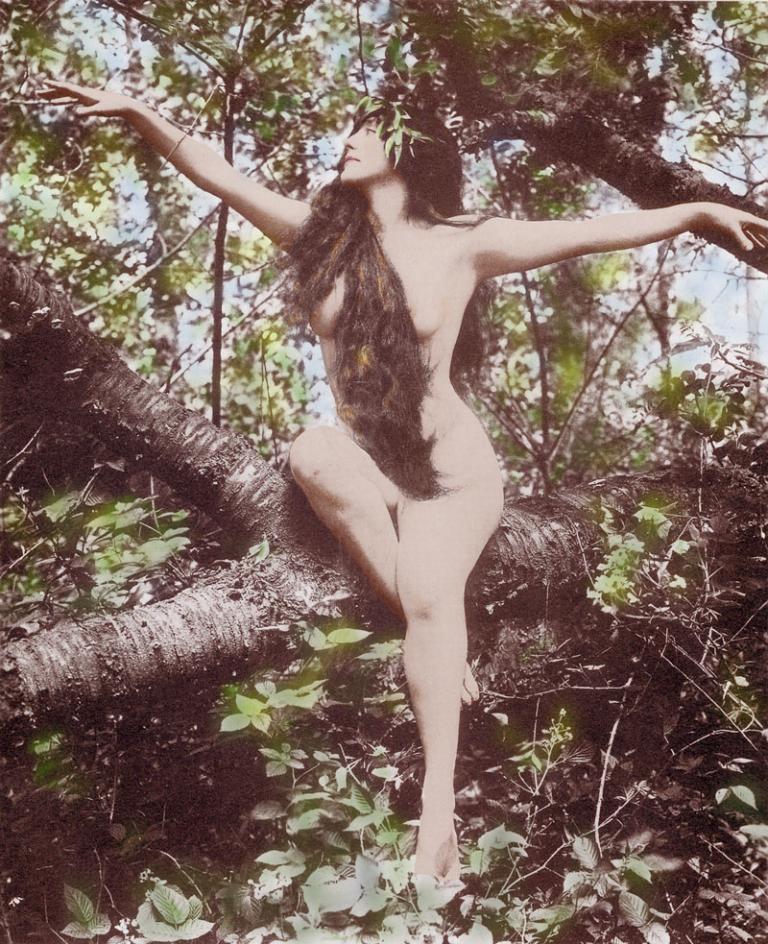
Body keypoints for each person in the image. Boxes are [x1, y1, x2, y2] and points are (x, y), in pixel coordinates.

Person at [38, 78, 768, 884]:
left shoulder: (466, 242)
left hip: (453, 478)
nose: (348, 140)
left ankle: (438, 815)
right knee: (312, 451)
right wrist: (138, 110)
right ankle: (439, 638)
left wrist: (696, 212)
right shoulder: (320, 238)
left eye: (368, 129)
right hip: (372, 466)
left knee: (427, 595)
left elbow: (592, 233)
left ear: (411, 149)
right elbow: (217, 172)